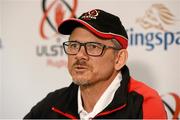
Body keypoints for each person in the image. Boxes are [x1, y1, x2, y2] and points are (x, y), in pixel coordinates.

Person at [24, 9, 167, 119]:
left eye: (93, 46)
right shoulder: (53, 104)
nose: (79, 55)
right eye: (74, 45)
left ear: (119, 59)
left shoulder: (143, 103)